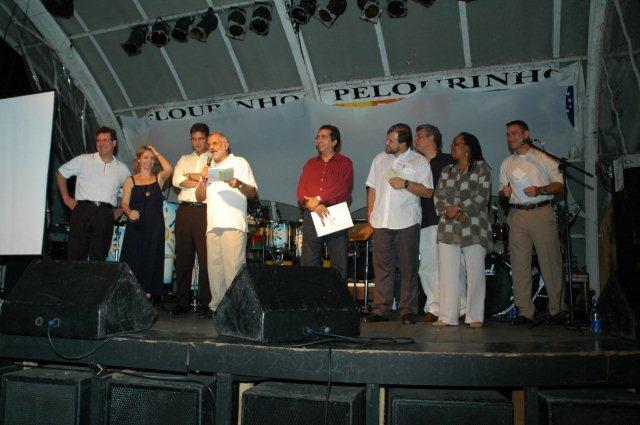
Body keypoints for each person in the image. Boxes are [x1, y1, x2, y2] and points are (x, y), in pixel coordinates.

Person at [363, 123, 433, 325]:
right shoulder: (379, 159)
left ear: (403, 143)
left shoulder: (418, 161)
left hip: (407, 222)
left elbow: (428, 191)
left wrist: (406, 184)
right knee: (382, 267)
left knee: (408, 267)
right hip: (381, 222)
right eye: (387, 138)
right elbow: (372, 187)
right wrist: (370, 212)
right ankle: (380, 309)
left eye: (391, 140)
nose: (386, 143)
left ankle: (408, 310)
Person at [499, 120, 565, 324]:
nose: (511, 138)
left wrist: (540, 190)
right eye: (508, 134)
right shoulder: (507, 163)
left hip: (540, 211)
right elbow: (502, 192)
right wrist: (504, 193)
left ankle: (558, 310)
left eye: (515, 133)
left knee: (550, 261)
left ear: (526, 134)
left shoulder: (543, 157)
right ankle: (524, 311)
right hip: (517, 214)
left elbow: (559, 185)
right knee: (519, 264)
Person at [433, 132, 492, 328]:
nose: (453, 147)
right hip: (448, 227)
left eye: (457, 144)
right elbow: (438, 196)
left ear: (468, 148)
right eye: (452, 144)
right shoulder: (447, 170)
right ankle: (447, 316)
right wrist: (447, 210)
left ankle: (474, 316)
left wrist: (459, 210)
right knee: (447, 273)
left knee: (475, 272)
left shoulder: (481, 168)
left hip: (474, 227)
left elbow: (482, 195)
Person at [196, 132, 258, 314]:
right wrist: (203, 179)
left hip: (233, 223)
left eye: (215, 143)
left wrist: (237, 183)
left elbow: (253, 193)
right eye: (209, 144)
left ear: (226, 144)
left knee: (234, 270)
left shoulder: (239, 162)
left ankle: (238, 309)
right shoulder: (209, 167)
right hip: (213, 225)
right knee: (215, 272)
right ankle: (218, 309)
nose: (211, 147)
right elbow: (200, 198)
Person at [413, 124, 465, 323]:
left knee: (453, 264)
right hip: (423, 219)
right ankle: (433, 307)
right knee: (427, 266)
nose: (416, 140)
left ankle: (460, 306)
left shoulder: (447, 161)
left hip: (446, 219)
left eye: (419, 136)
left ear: (432, 138)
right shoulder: (415, 163)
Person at [56, 126, 130, 261]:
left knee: (99, 256)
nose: (101, 144)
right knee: (76, 255)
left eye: (105, 140)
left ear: (114, 143)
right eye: (98, 140)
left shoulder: (122, 169)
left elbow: (130, 191)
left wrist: (121, 210)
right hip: (83, 210)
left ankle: (95, 282)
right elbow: (61, 173)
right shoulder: (84, 160)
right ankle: (76, 282)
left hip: (105, 214)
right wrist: (66, 198)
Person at [296, 125, 354, 281]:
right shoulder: (310, 164)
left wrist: (320, 199)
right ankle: (311, 301)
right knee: (309, 260)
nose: (319, 140)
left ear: (334, 142)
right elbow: (301, 190)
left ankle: (338, 302)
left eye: (324, 137)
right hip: (312, 213)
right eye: (318, 137)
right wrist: (314, 205)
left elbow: (342, 189)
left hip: (335, 213)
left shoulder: (344, 163)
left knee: (338, 262)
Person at [119, 146, 173, 302]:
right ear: (138, 160)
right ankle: (131, 296)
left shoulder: (159, 178)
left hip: (154, 228)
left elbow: (169, 169)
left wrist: (157, 152)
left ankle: (146, 298)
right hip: (135, 227)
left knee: (151, 259)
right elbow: (124, 203)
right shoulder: (130, 180)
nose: (149, 161)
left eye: (151, 158)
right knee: (133, 259)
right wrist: (129, 212)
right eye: (145, 157)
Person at [171, 123, 212, 316]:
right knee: (183, 258)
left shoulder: (214, 159)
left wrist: (189, 177)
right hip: (185, 211)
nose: (197, 142)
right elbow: (175, 181)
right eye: (194, 139)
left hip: (205, 211)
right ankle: (182, 303)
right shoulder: (184, 159)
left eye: (201, 138)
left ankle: (206, 303)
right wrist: (200, 178)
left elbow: (213, 180)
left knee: (205, 258)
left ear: (207, 138)